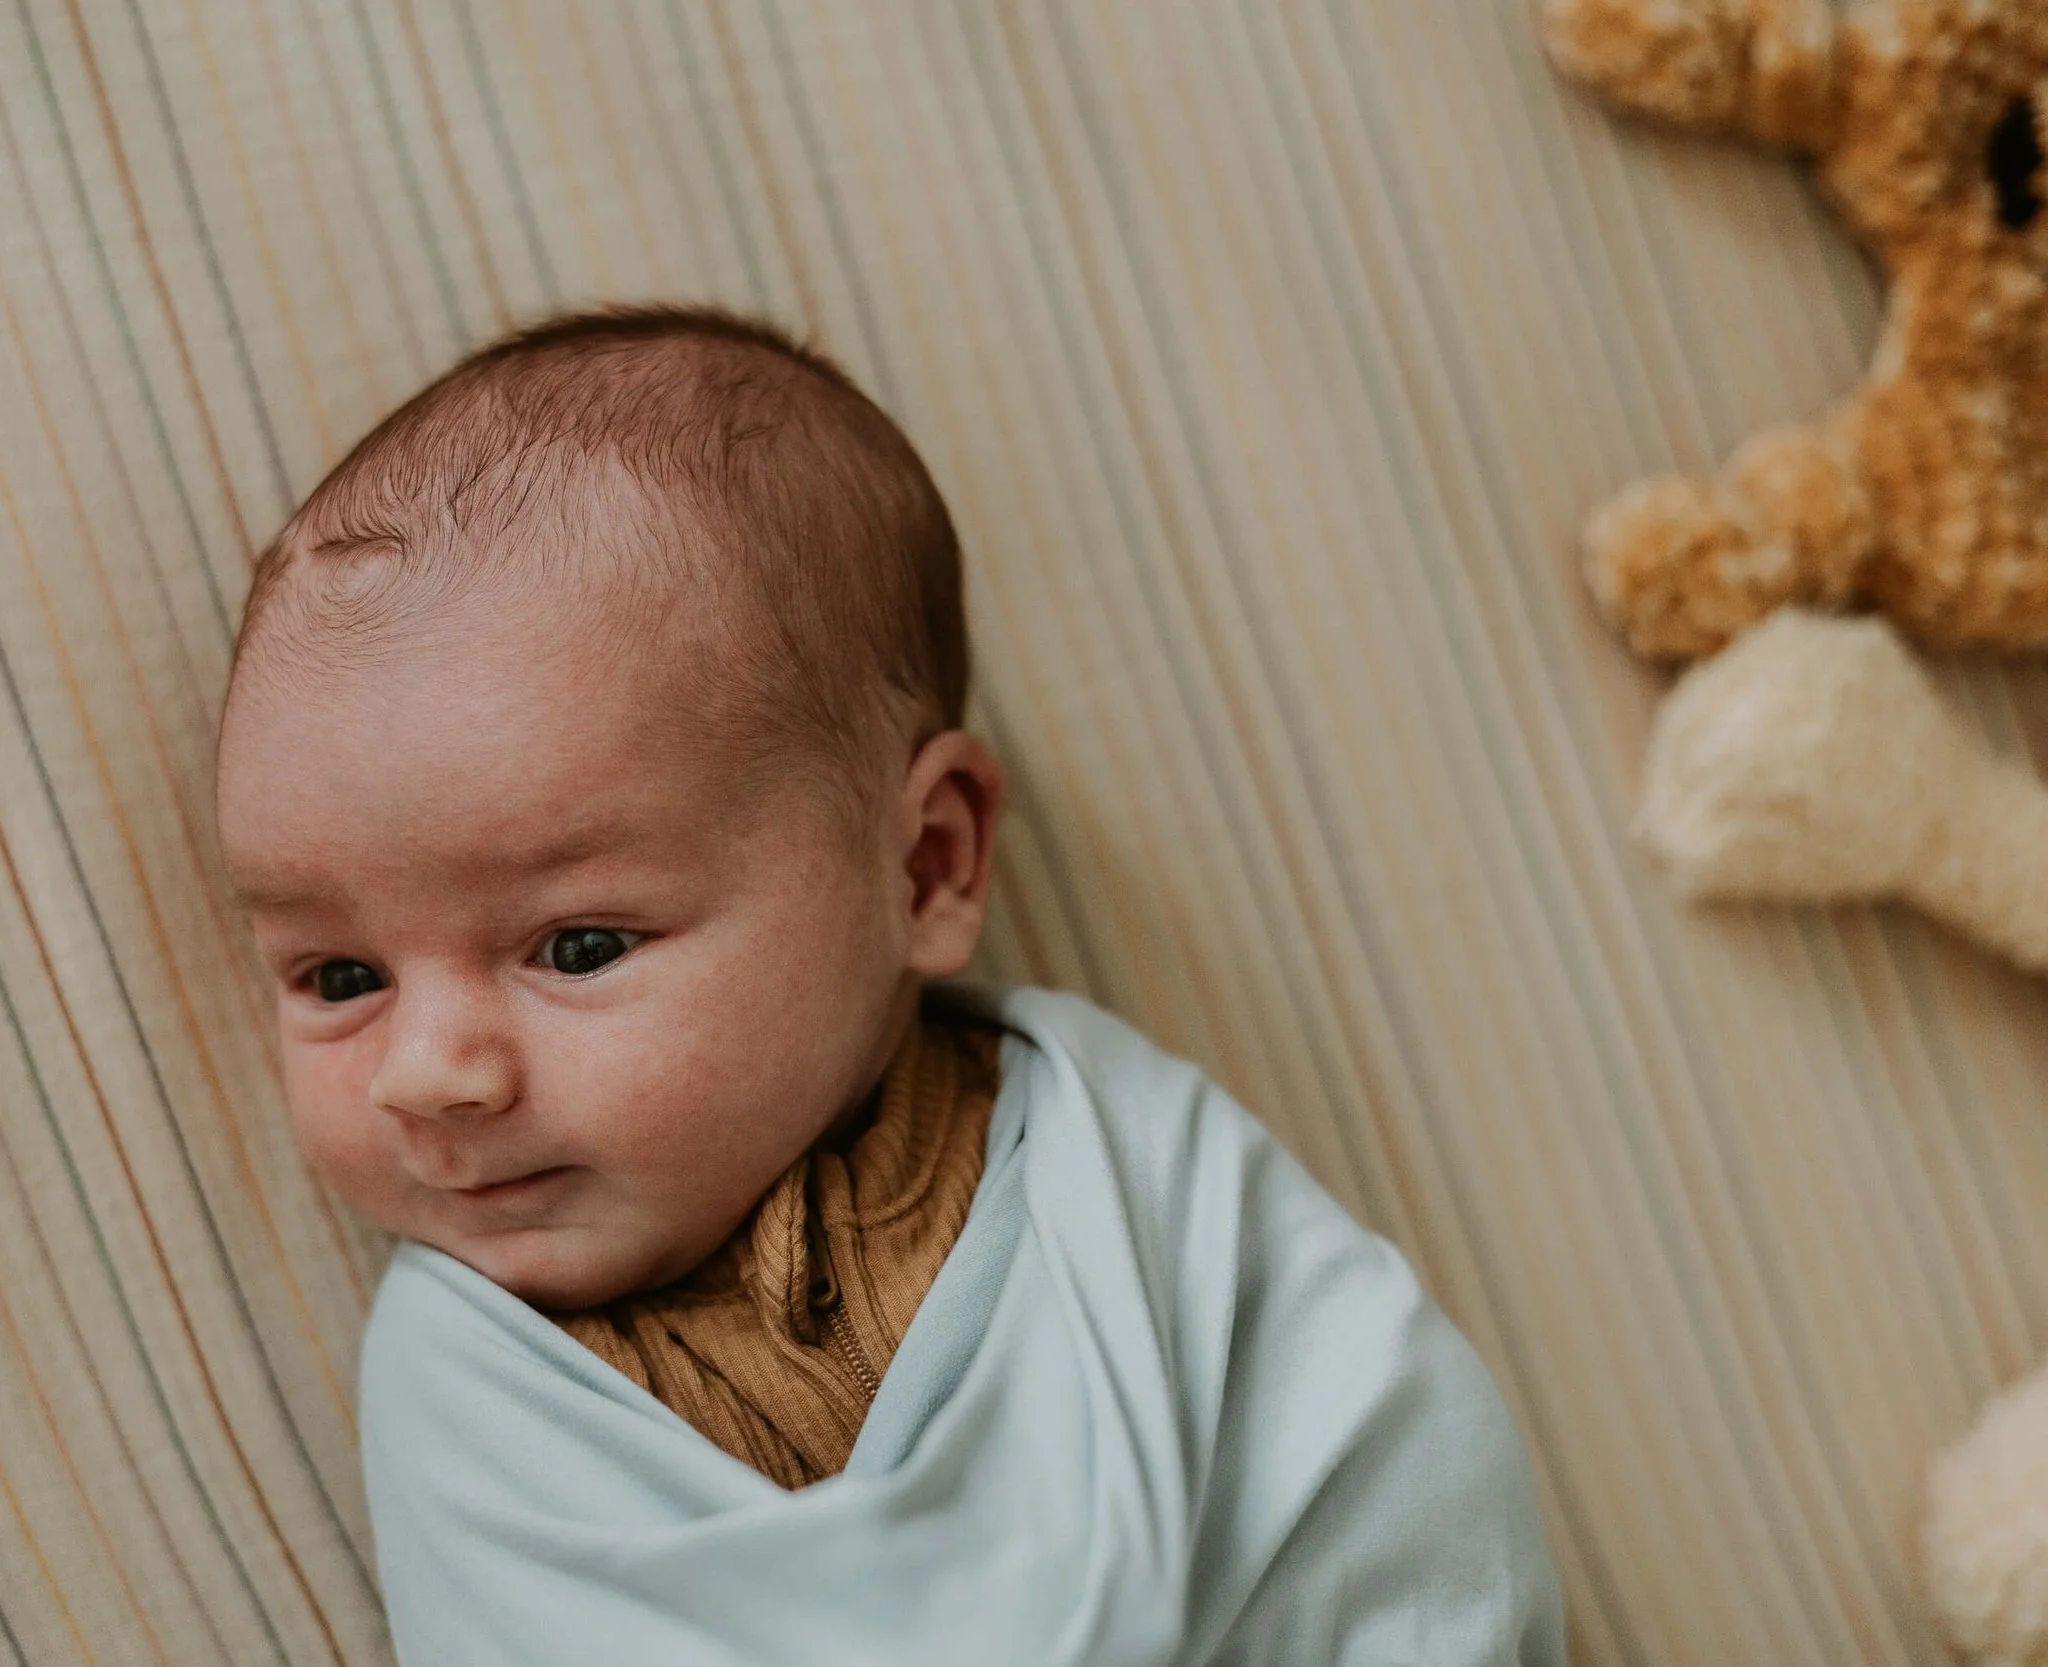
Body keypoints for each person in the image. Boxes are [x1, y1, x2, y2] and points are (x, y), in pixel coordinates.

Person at [214, 305, 1566, 1665]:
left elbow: (1389, 1455)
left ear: (923, 866)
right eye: (340, 976)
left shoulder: (1110, 1155)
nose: (426, 1071)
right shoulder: (473, 1385)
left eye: (577, 946)